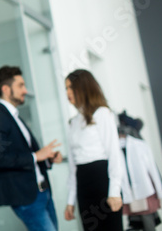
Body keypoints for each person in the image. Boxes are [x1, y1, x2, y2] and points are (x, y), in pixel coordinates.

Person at [0, 65, 62, 231]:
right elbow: (0, 160)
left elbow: (25, 155)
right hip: (27, 197)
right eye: (20, 85)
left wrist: (48, 159)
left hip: (43, 193)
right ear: (6, 89)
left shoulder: (14, 117)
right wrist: (36, 156)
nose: (25, 90)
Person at [64, 69, 123, 230]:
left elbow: (114, 154)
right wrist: (70, 201)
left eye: (71, 87)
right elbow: (72, 166)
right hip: (83, 185)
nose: (67, 92)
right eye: (66, 88)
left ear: (83, 87)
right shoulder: (74, 122)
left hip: (102, 182)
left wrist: (115, 191)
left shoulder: (102, 114)